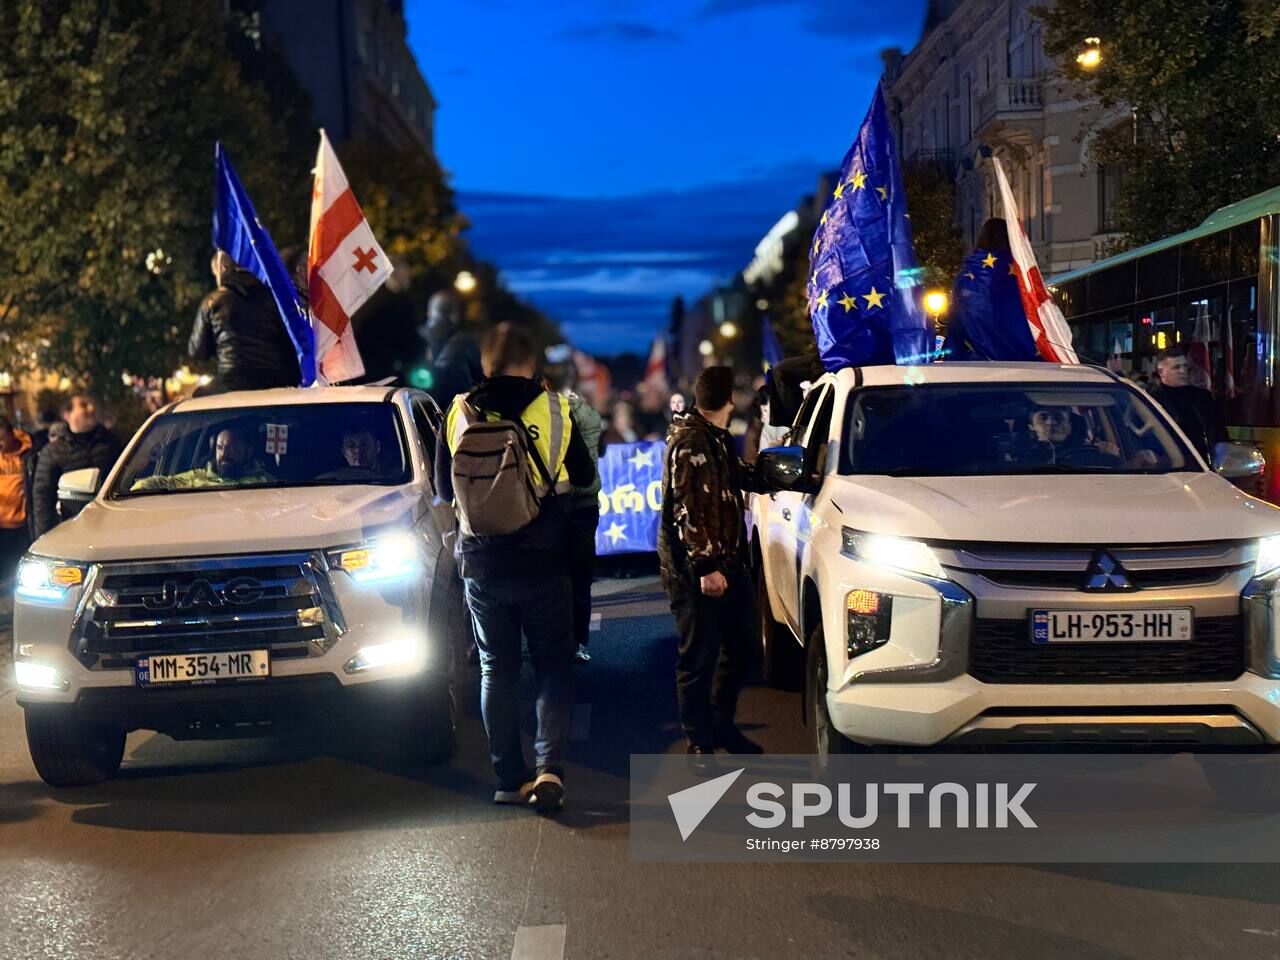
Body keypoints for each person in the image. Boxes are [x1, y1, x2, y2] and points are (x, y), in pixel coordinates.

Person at [435, 322, 594, 812]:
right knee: (551, 667)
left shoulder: (457, 413)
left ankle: (507, 778)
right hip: (544, 558)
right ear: (530, 363)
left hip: (482, 564)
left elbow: (444, 487)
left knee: (495, 670)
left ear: (486, 364)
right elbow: (585, 476)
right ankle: (549, 769)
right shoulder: (555, 408)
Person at [658, 366, 766, 773]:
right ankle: (698, 740)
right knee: (697, 658)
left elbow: (735, 479)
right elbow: (686, 507)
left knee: (742, 649)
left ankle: (722, 725)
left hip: (728, 564)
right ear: (730, 401)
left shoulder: (717, 440)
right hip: (696, 572)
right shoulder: (690, 442)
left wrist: (775, 474)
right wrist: (704, 567)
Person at [189, 250, 301, 393]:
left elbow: (197, 351)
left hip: (231, 383)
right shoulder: (274, 296)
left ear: (223, 268)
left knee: (199, 397)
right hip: (276, 382)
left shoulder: (212, 301)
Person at [31, 394, 123, 537]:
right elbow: (42, 500)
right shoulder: (53, 452)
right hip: (72, 531)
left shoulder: (113, 442)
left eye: (91, 405)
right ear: (67, 414)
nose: (91, 409)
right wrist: (44, 539)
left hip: (114, 527)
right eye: (84, 405)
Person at [565, 390, 603, 664]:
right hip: (581, 506)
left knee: (568, 580)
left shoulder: (558, 413)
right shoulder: (584, 412)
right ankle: (577, 642)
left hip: (568, 504)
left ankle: (572, 641)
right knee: (579, 581)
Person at [1148, 347, 1229, 460]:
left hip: (1207, 463)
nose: (1183, 371)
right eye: (1176, 367)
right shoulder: (1153, 400)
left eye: (1185, 366)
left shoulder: (1202, 396)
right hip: (1172, 463)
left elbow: (1218, 430)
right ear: (1161, 372)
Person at [130, 427, 272, 491]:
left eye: (233, 449)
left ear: (249, 451)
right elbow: (162, 482)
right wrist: (139, 490)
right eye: (220, 448)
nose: (224, 454)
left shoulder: (266, 482)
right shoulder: (197, 477)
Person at [420, 290, 483, 407]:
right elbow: (478, 377)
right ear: (455, 314)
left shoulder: (417, 337)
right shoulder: (466, 340)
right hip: (456, 409)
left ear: (429, 312)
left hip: (420, 407)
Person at [0, 416, 33, 582]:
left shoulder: (29, 455)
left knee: (21, 575)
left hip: (23, 527)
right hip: (2, 527)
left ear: (12, 434)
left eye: (2, 439)